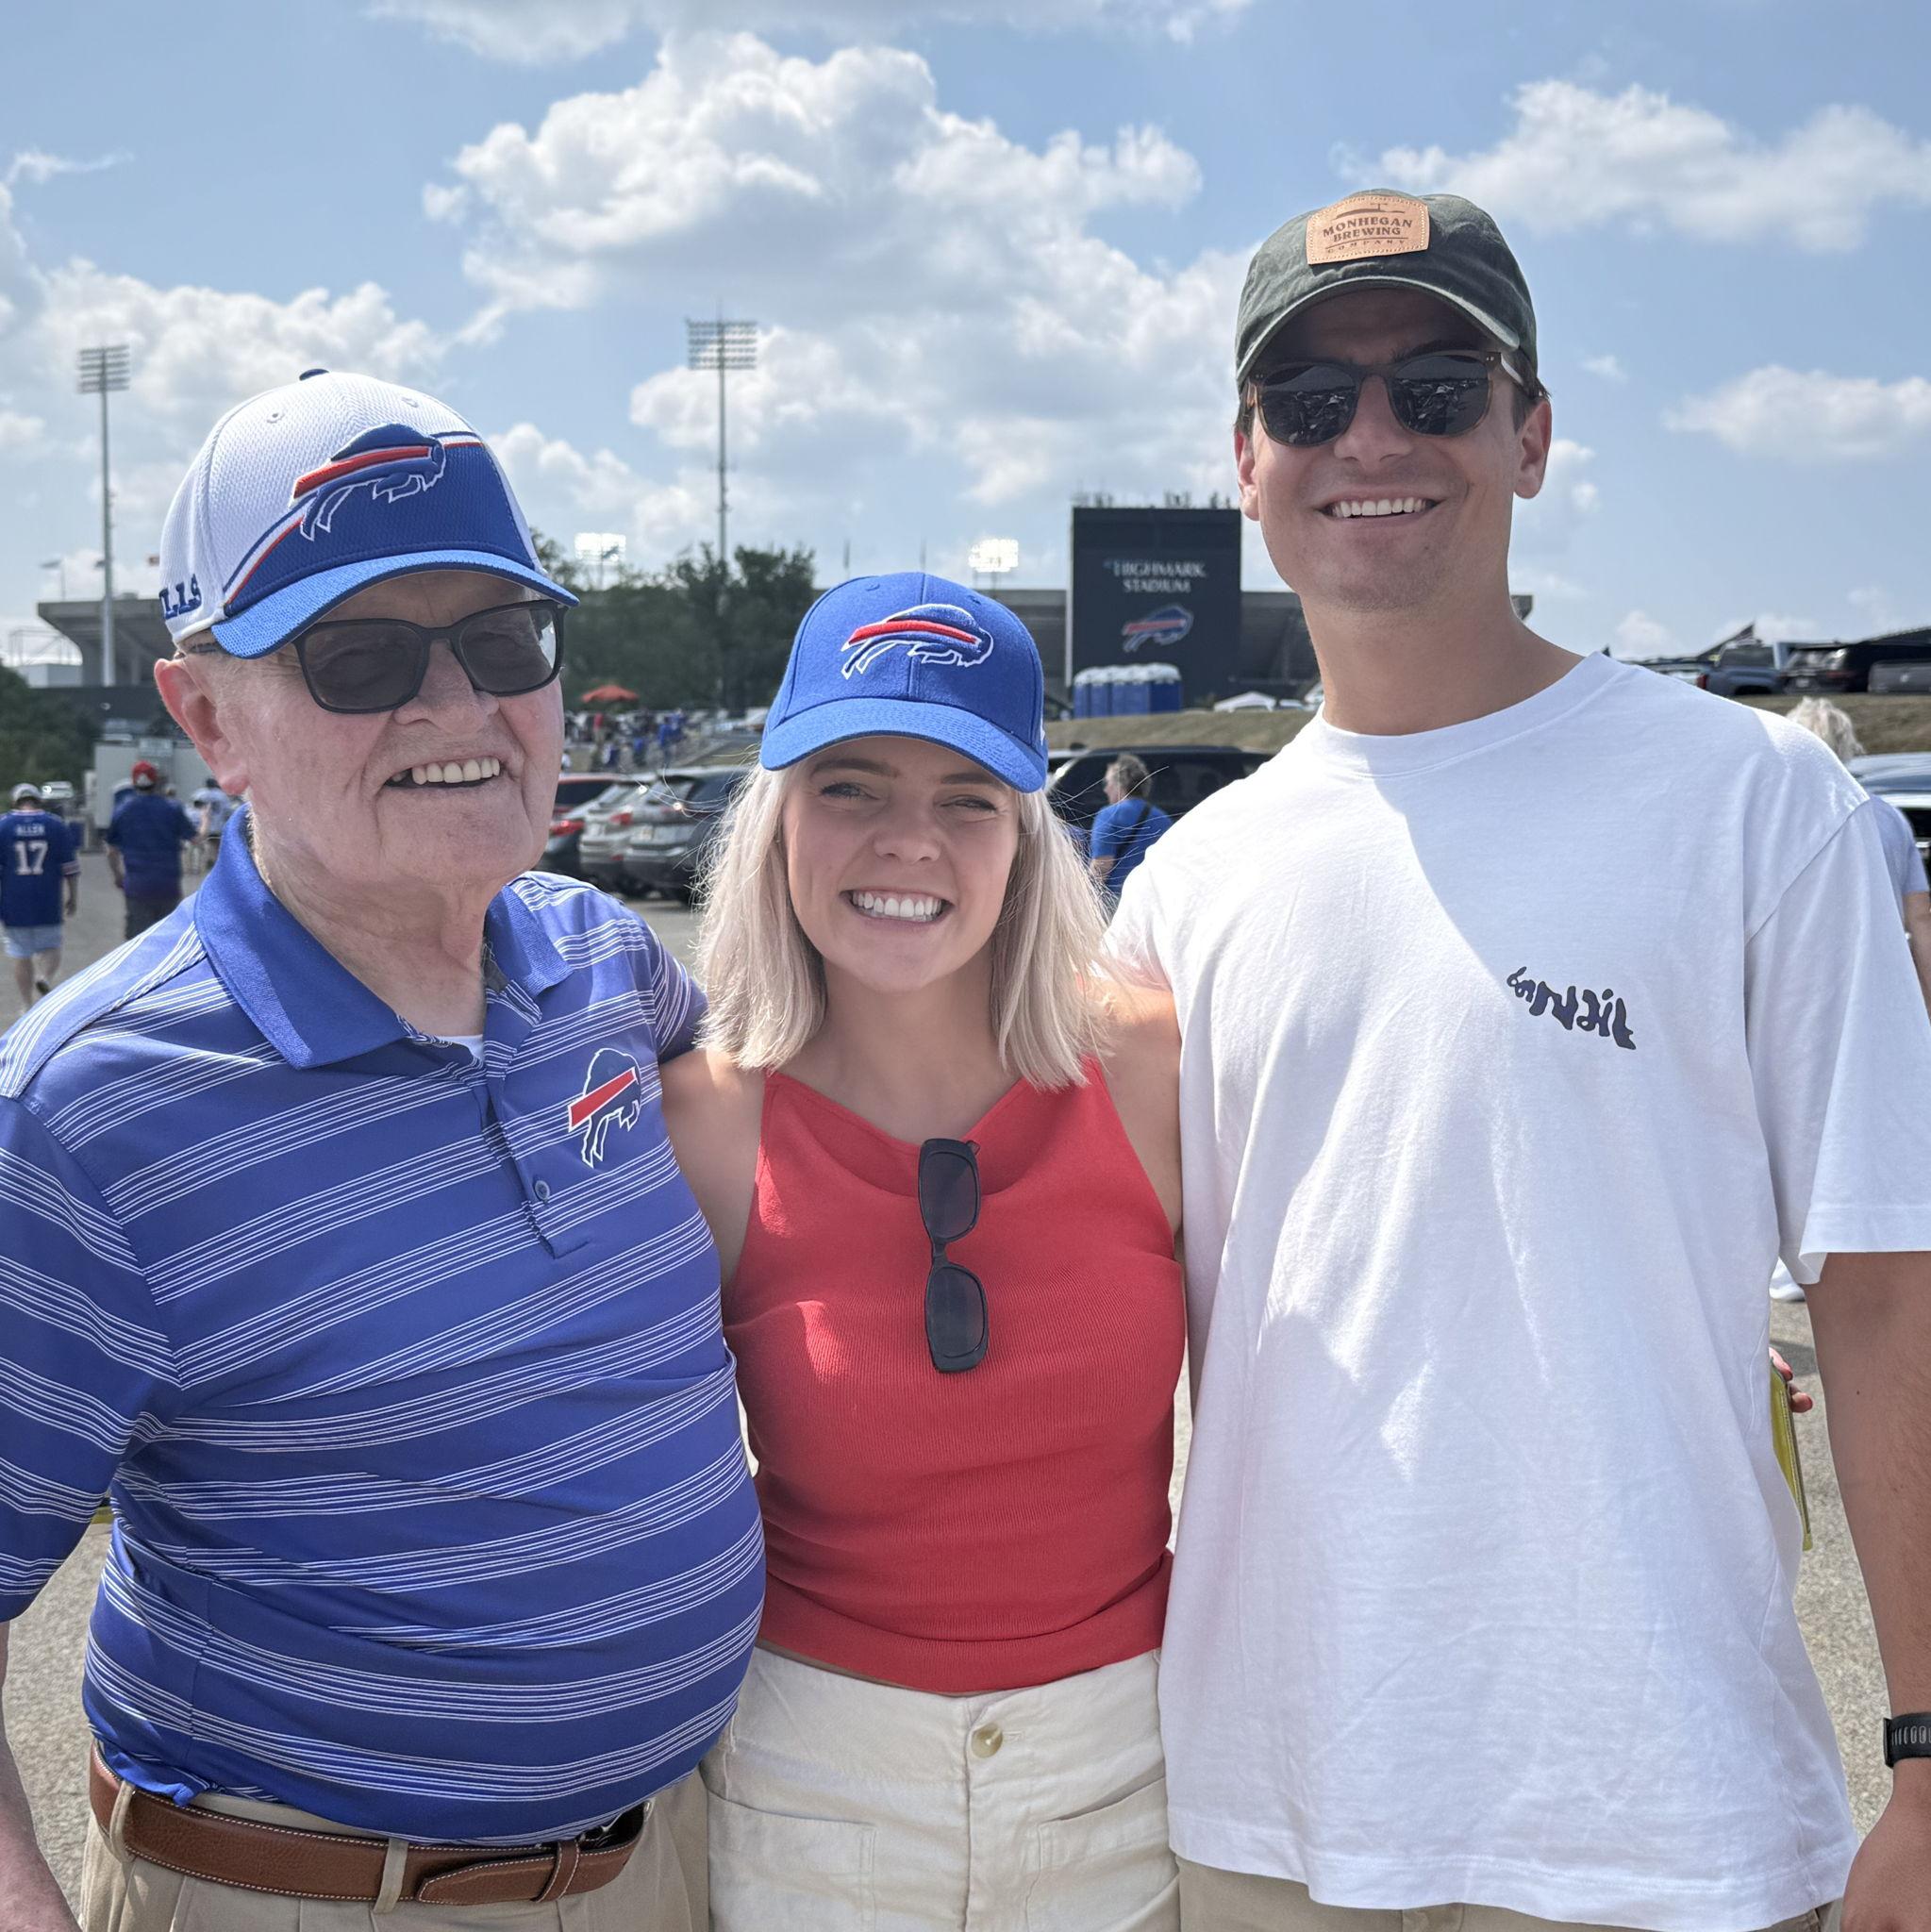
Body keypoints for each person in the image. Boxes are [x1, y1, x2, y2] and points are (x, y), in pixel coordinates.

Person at [1108, 191, 1931, 1932]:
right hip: (1267, 1811)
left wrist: (1930, 1748)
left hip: (1656, 1815)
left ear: (1530, 433)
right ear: (1245, 463)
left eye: (1433, 382)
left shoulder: (1760, 803)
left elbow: (1887, 1291)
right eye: (1313, 404)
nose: (1373, 439)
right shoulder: (1186, 885)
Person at [0, 369, 760, 1932]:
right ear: (209, 716)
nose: (456, 707)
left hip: (664, 1860)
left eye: (501, 642)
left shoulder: (602, 956)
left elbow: (739, 1068)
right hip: (310, 1894)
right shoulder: (88, 1111)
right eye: (358, 657)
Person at [659, 573, 1186, 1929]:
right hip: (811, 1792)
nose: (909, 842)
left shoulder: (1147, 1068)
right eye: (848, 787)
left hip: (1131, 1774)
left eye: (966, 800)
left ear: (1024, 841)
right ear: (774, 822)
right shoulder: (708, 1122)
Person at [0, 779, 79, 1010]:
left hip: (14, 901)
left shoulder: (3, 826)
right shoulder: (55, 824)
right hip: (47, 899)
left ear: (16, 801)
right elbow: (70, 867)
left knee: (20, 953)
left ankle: (26, 1004)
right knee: (52, 946)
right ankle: (44, 978)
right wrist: (73, 896)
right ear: (38, 800)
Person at [105, 759, 197, 937]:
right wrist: (206, 821)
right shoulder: (173, 808)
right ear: (156, 782)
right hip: (168, 884)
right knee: (168, 940)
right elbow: (195, 838)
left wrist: (118, 876)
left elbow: (111, 850)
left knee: (138, 941)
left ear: (133, 782)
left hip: (136, 885)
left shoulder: (123, 809)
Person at [1088, 753, 1173, 905]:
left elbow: (1102, 864)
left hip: (1116, 902)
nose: (1106, 789)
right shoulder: (1163, 818)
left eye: (1107, 783)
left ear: (1120, 784)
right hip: (1154, 900)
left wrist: (1086, 897)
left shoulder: (1108, 815)